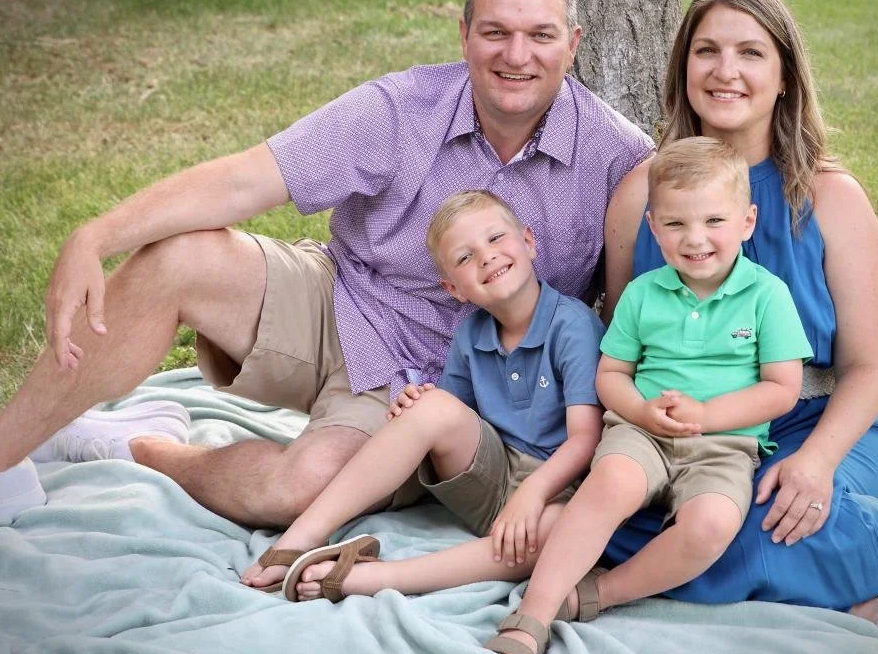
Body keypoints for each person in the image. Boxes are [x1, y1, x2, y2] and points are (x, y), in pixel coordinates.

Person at [0, 0, 654, 546]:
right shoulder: (397, 109)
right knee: (176, 259)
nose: (517, 55)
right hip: (341, 301)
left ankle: (138, 446)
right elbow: (242, 181)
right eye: (496, 32)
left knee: (305, 485)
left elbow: (640, 315)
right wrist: (91, 235)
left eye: (540, 34)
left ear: (574, 41)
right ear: (464, 33)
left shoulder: (619, 159)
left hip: (437, 391)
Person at [592, 0, 878, 654]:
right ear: (682, 69)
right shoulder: (640, 193)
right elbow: (627, 338)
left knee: (765, 507)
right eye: (706, 50)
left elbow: (866, 368)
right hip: (685, 426)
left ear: (785, 74)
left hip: (814, 415)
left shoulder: (830, 197)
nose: (725, 70)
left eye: (749, 52)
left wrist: (818, 460)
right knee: (624, 519)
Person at [480, 136, 814, 654]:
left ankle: (599, 593)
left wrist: (708, 416)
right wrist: (638, 412)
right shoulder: (642, 294)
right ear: (654, 228)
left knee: (710, 524)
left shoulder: (766, 295)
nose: (696, 238)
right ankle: (532, 613)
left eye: (713, 221)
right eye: (676, 224)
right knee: (610, 484)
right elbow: (611, 376)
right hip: (642, 431)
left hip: (724, 443)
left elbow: (781, 388)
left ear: (747, 222)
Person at [238, 189, 604, 601]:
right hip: (491, 479)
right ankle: (301, 535)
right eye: (465, 257)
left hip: (558, 489)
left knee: (562, 534)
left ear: (529, 242)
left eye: (496, 238)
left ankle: (372, 578)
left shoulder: (572, 327)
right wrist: (415, 409)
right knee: (430, 407)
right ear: (454, 288)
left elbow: (586, 440)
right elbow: (451, 417)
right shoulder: (472, 334)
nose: (486, 257)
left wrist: (534, 494)